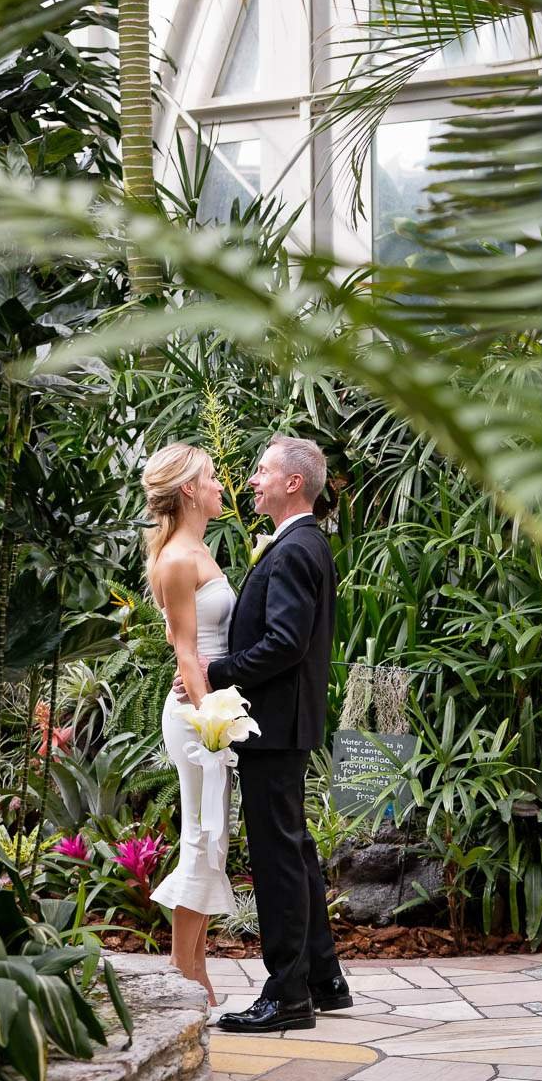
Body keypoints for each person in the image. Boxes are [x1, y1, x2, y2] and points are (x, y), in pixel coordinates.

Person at [175, 434, 352, 1034]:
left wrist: (213, 672)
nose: (252, 479)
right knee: (294, 847)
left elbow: (284, 644)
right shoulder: (296, 543)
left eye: (262, 471)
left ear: (293, 483)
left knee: (277, 858)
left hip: (274, 725)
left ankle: (286, 995)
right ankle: (324, 979)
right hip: (281, 723)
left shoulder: (297, 548)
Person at [142, 441, 235, 1007]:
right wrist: (212, 724)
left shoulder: (196, 547)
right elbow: (185, 654)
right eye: (212, 477)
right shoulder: (178, 558)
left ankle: (196, 967)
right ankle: (183, 970)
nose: (221, 484)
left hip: (213, 705)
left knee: (213, 839)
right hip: (198, 715)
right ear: (189, 491)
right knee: (201, 836)